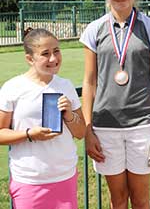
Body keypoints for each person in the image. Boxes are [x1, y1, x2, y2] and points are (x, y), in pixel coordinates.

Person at [80, 0, 150, 209]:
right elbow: (89, 82)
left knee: (140, 200)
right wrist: (88, 131)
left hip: (142, 125)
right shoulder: (94, 30)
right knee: (117, 200)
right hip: (105, 128)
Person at [0, 28, 86, 209]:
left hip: (65, 176)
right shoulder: (12, 88)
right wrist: (30, 134)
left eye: (56, 51)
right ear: (29, 59)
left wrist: (69, 115)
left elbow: (80, 132)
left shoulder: (66, 85)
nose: (53, 58)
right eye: (45, 54)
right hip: (29, 180)